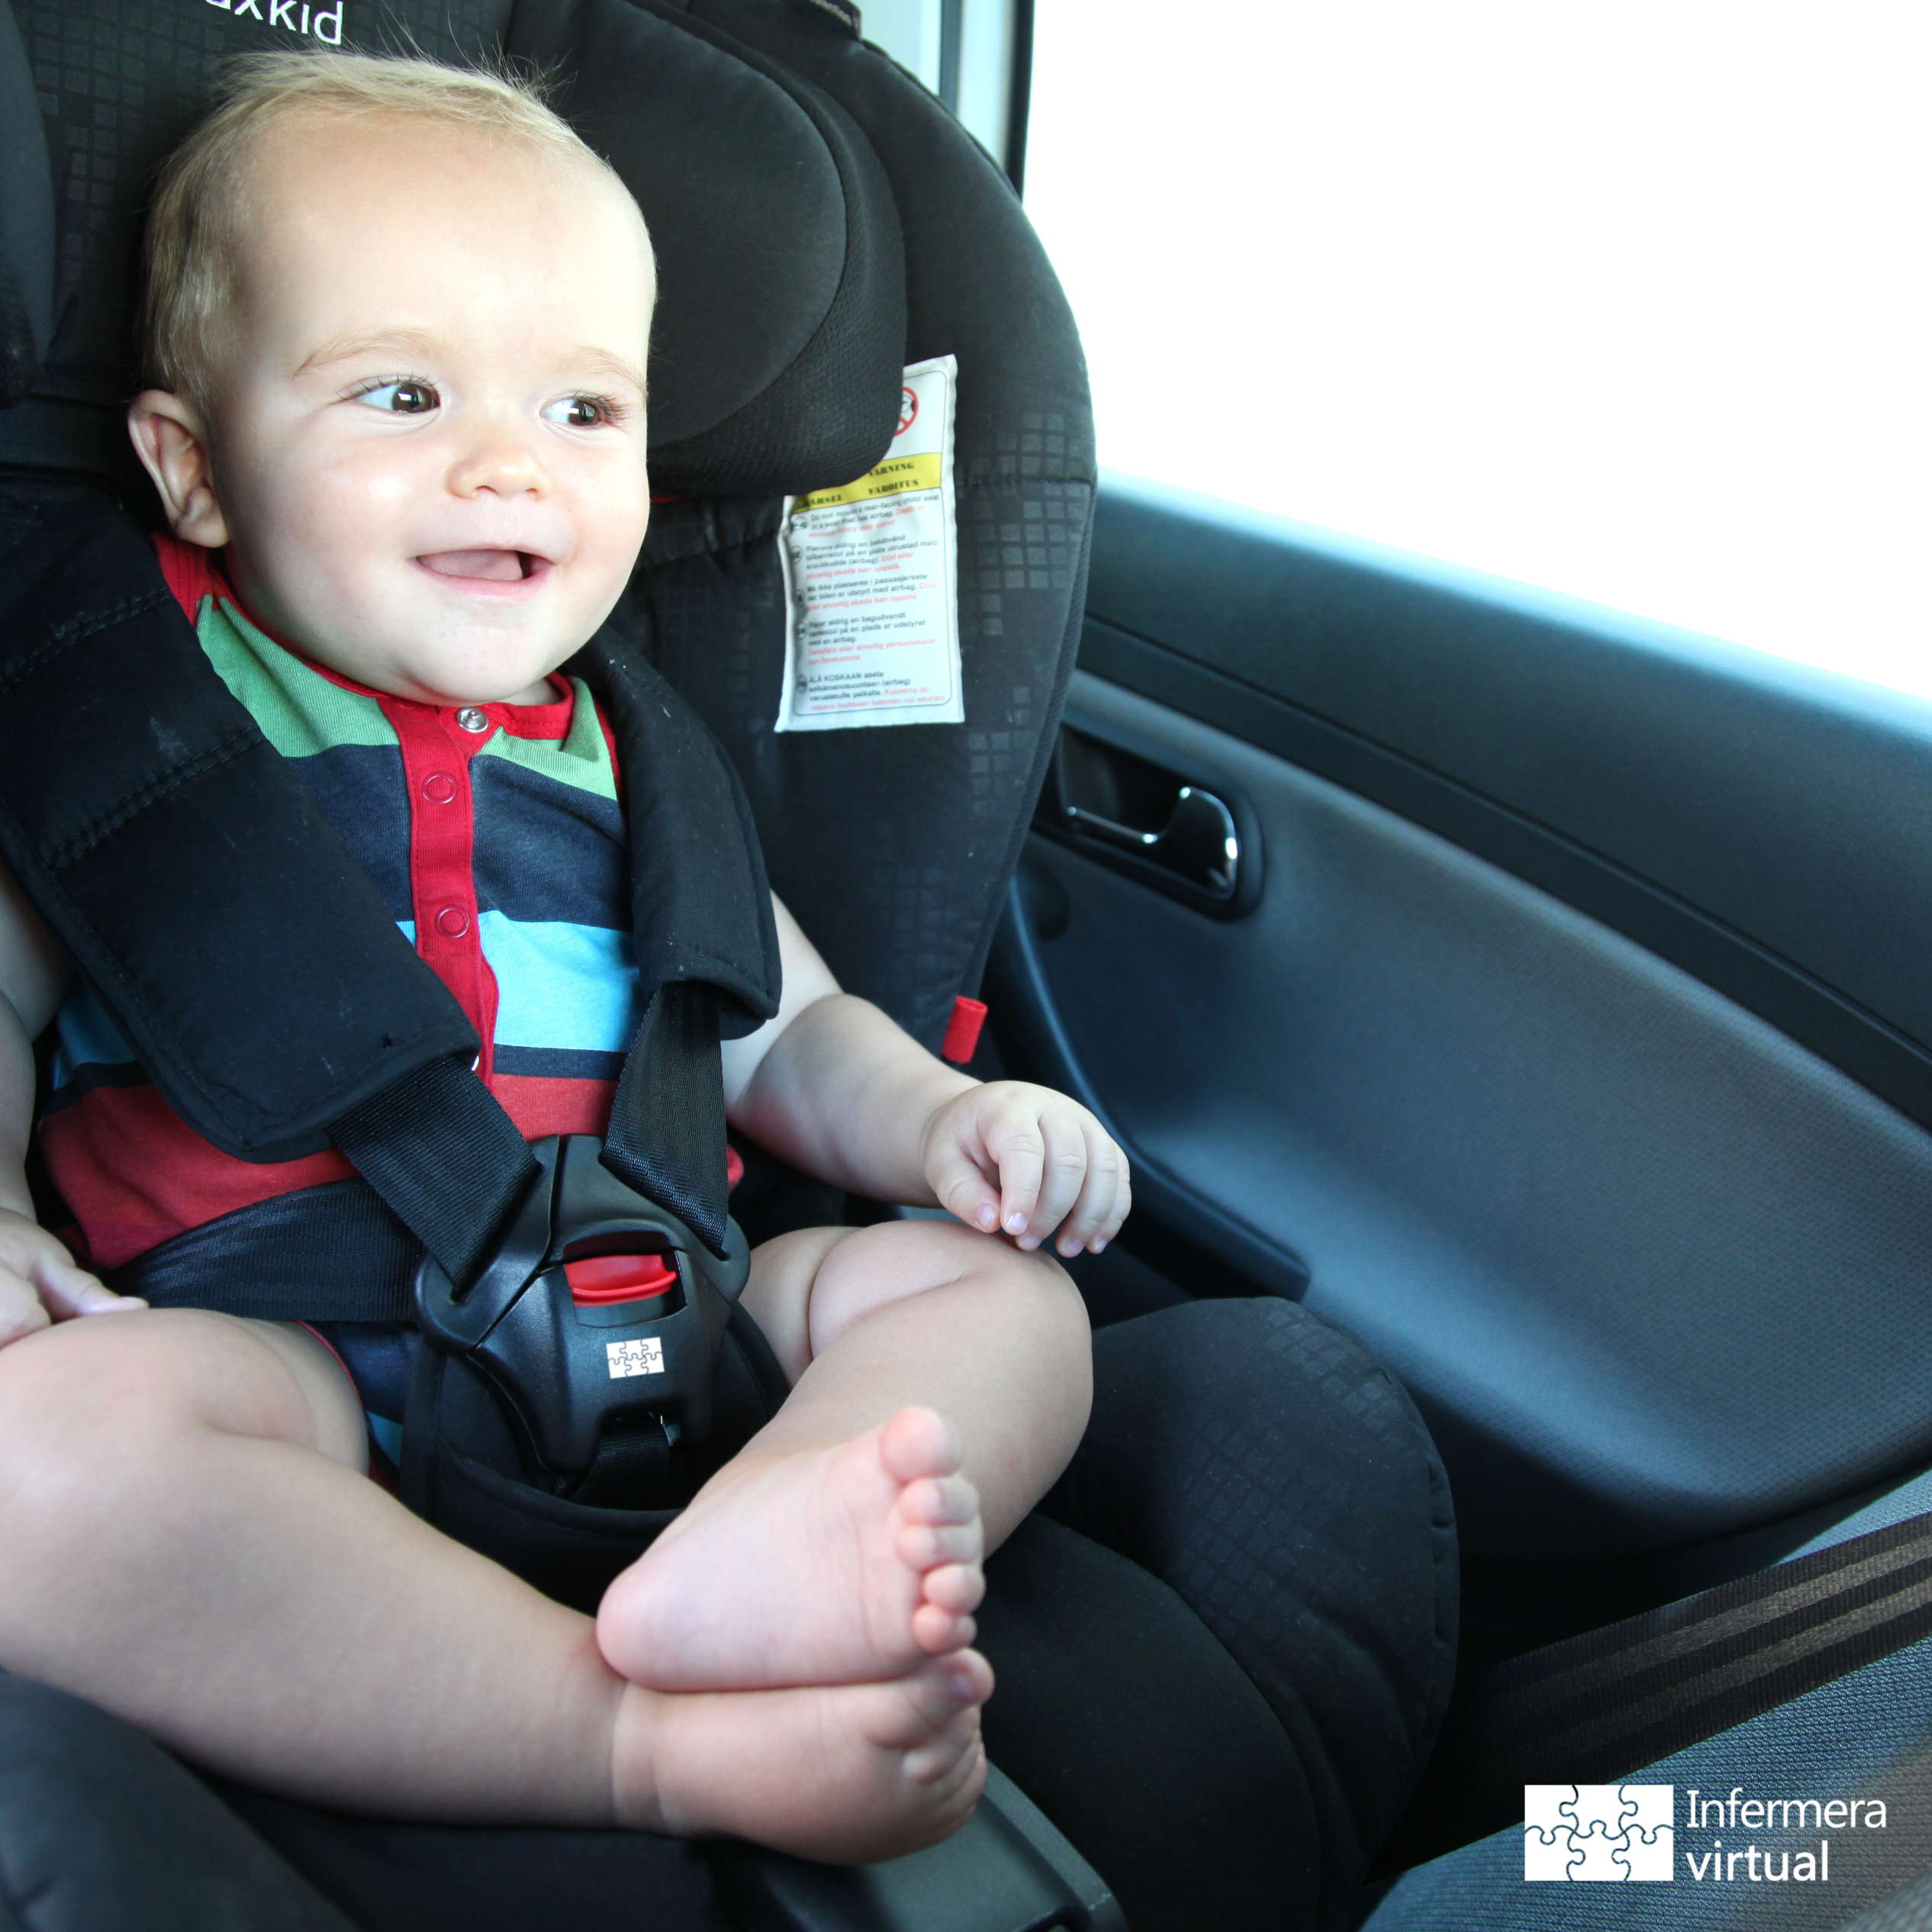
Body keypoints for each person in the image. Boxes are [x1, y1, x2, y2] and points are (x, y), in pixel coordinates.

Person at [0, 50, 1121, 1866]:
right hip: (283, 1368)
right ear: (192, 469)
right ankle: (623, 1742)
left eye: (585, 412)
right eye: (401, 391)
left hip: (661, 1332)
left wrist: (935, 1125)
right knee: (30, 1474)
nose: (507, 460)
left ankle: (777, 1531)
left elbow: (786, 1030)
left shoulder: (642, 763)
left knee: (1002, 1306)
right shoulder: (135, 737)